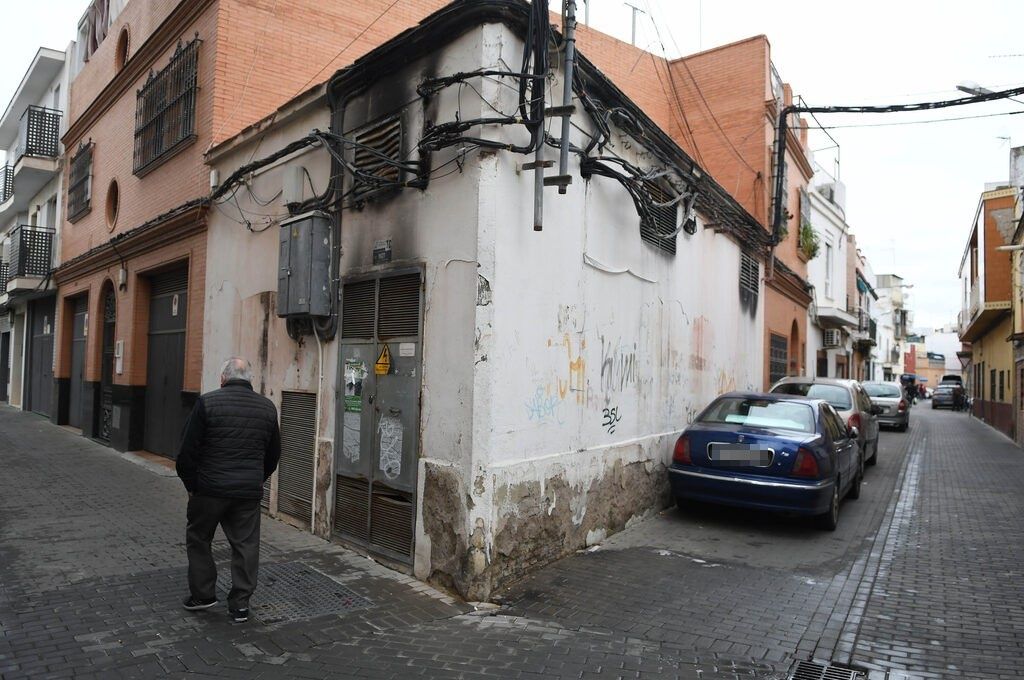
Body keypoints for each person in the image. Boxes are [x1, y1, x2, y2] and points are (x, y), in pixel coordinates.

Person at [176, 357, 281, 623]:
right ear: (250, 380)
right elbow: (273, 454)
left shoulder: (207, 403)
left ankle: (203, 595)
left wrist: (192, 485)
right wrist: (257, 479)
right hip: (247, 492)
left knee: (199, 538)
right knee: (246, 545)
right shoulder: (267, 407)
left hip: (209, 489)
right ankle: (240, 605)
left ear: (223, 378)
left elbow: (187, 451)